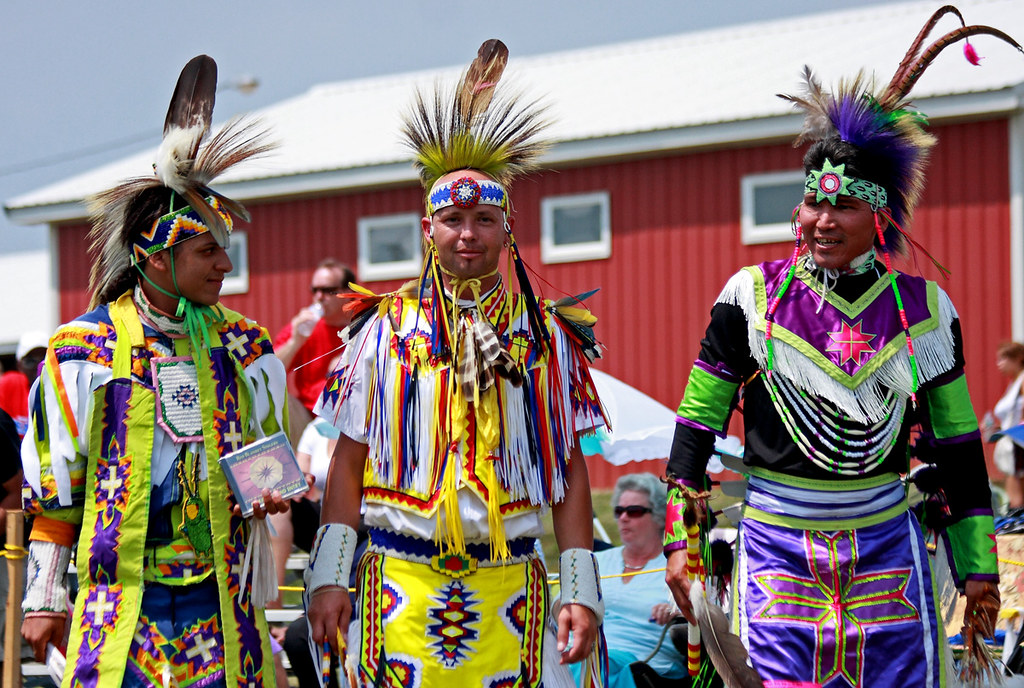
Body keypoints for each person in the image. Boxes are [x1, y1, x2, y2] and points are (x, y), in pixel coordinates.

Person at [663, 11, 1013, 687]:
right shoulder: (752, 298)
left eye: (844, 207)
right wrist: (681, 543)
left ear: (879, 216)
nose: (823, 222)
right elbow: (697, 423)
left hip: (887, 544)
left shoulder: (924, 312)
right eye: (812, 205)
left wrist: (979, 569)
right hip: (777, 546)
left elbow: (961, 448)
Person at [305, 39, 608, 688]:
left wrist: (582, 586)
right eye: (452, 219)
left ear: (508, 229)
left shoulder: (545, 338)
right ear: (427, 229)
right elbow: (348, 461)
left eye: (483, 218)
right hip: (399, 589)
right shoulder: (384, 331)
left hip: (510, 591)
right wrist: (330, 576)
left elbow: (570, 466)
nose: (467, 233)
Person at [20, 55, 291, 688]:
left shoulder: (245, 347)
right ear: (154, 258)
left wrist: (268, 493)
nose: (225, 264)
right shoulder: (83, 352)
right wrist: (43, 598)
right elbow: (59, 492)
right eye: (206, 251)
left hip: (222, 603)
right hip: (119, 605)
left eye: (225, 249)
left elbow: (266, 465)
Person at [572, 474, 685, 688]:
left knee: (590, 663)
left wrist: (678, 612)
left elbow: (708, 617)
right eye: (619, 511)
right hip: (581, 651)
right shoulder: (596, 561)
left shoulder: (676, 568)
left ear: (660, 516)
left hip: (643, 662)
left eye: (634, 511)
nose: (624, 517)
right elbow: (560, 608)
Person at [274, 260, 356, 439]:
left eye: (327, 290)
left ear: (348, 293)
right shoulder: (304, 327)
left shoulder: (366, 326)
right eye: (315, 290)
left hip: (354, 416)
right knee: (278, 402)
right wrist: (295, 342)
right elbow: (269, 373)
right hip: (309, 417)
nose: (319, 296)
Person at [984, 341, 1024, 509]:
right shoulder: (1013, 383)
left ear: (1018, 359)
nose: (999, 364)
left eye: (1003, 359)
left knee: (1016, 502)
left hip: (1017, 446)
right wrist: (997, 430)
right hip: (1011, 445)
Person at [0, 330, 48, 438]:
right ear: (19, 365)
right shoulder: (9, 385)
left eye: (44, 360)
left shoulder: (62, 390)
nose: (38, 367)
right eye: (30, 361)